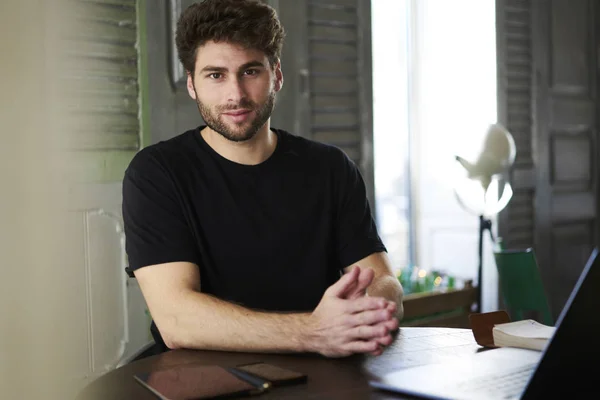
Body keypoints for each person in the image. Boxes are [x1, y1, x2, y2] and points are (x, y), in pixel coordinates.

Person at [122, 0, 403, 359]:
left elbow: (382, 279)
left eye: (250, 71)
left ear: (278, 76)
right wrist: (314, 331)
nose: (235, 94)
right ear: (192, 84)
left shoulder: (331, 167)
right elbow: (177, 320)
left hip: (322, 367)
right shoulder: (156, 173)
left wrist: (363, 312)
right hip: (200, 373)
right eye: (215, 75)